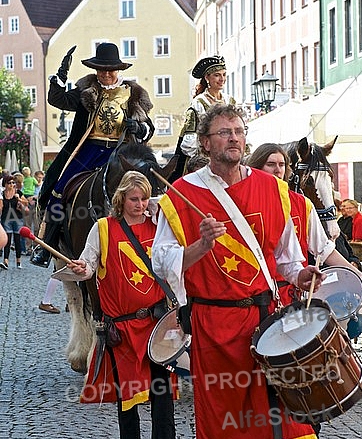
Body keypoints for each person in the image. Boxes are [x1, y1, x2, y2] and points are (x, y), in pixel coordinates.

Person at [152, 104, 332, 439]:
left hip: (267, 322)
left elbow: (288, 258)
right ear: (205, 142)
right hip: (214, 325)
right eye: (222, 132)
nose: (233, 138)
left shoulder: (273, 190)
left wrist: (301, 277)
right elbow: (161, 263)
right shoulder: (180, 197)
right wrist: (200, 245)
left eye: (237, 131)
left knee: (281, 423)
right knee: (219, 420)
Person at [248, 143, 362, 439]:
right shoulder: (246, 203)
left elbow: (326, 250)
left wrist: (359, 277)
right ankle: (274, 437)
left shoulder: (301, 205)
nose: (278, 170)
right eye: (270, 164)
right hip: (261, 299)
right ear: (256, 168)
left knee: (307, 367)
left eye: (282, 164)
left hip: (299, 297)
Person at [67, 171, 179, 439]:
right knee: (129, 392)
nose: (140, 204)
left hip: (157, 322)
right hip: (124, 328)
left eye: (144, 198)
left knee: (162, 389)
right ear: (120, 200)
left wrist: (156, 206)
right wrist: (81, 268)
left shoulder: (159, 228)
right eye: (133, 199)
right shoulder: (103, 229)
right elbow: (88, 265)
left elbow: (175, 212)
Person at [31, 42, 154, 268]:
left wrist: (138, 129)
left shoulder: (133, 93)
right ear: (95, 70)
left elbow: (149, 128)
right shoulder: (87, 89)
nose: (106, 74)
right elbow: (58, 100)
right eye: (101, 69)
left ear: (118, 70)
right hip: (87, 149)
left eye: (111, 70)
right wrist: (60, 75)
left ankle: (152, 237)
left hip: (120, 152)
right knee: (59, 189)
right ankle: (47, 245)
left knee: (148, 186)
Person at [169, 56, 235, 181]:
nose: (222, 79)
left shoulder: (230, 100)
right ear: (207, 77)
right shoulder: (199, 103)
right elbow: (189, 138)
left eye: (224, 75)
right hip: (206, 157)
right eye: (217, 75)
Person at [0, 175, 28, 269]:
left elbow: (26, 203)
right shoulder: (2, 194)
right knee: (7, 240)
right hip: (6, 219)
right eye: (10, 183)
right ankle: (5, 261)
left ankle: (18, 261)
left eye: (13, 182)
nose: (12, 184)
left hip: (17, 219)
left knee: (17, 240)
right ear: (5, 184)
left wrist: (19, 199)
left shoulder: (18, 192)